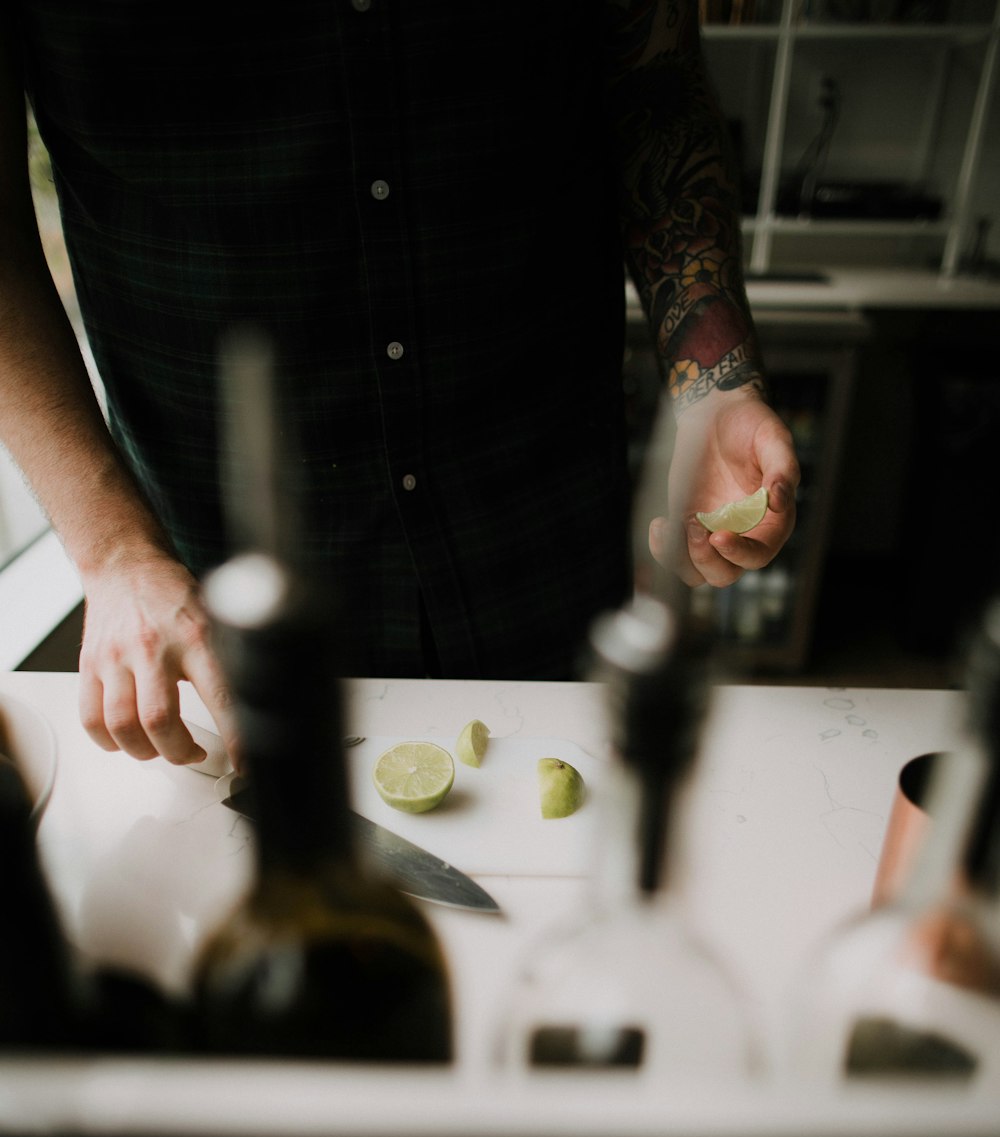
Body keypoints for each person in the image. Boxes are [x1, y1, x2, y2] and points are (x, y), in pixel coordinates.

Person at [0, 1, 798, 773]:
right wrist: (113, 553)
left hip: (542, 523)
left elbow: (656, 97)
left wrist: (714, 381)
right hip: (212, 572)